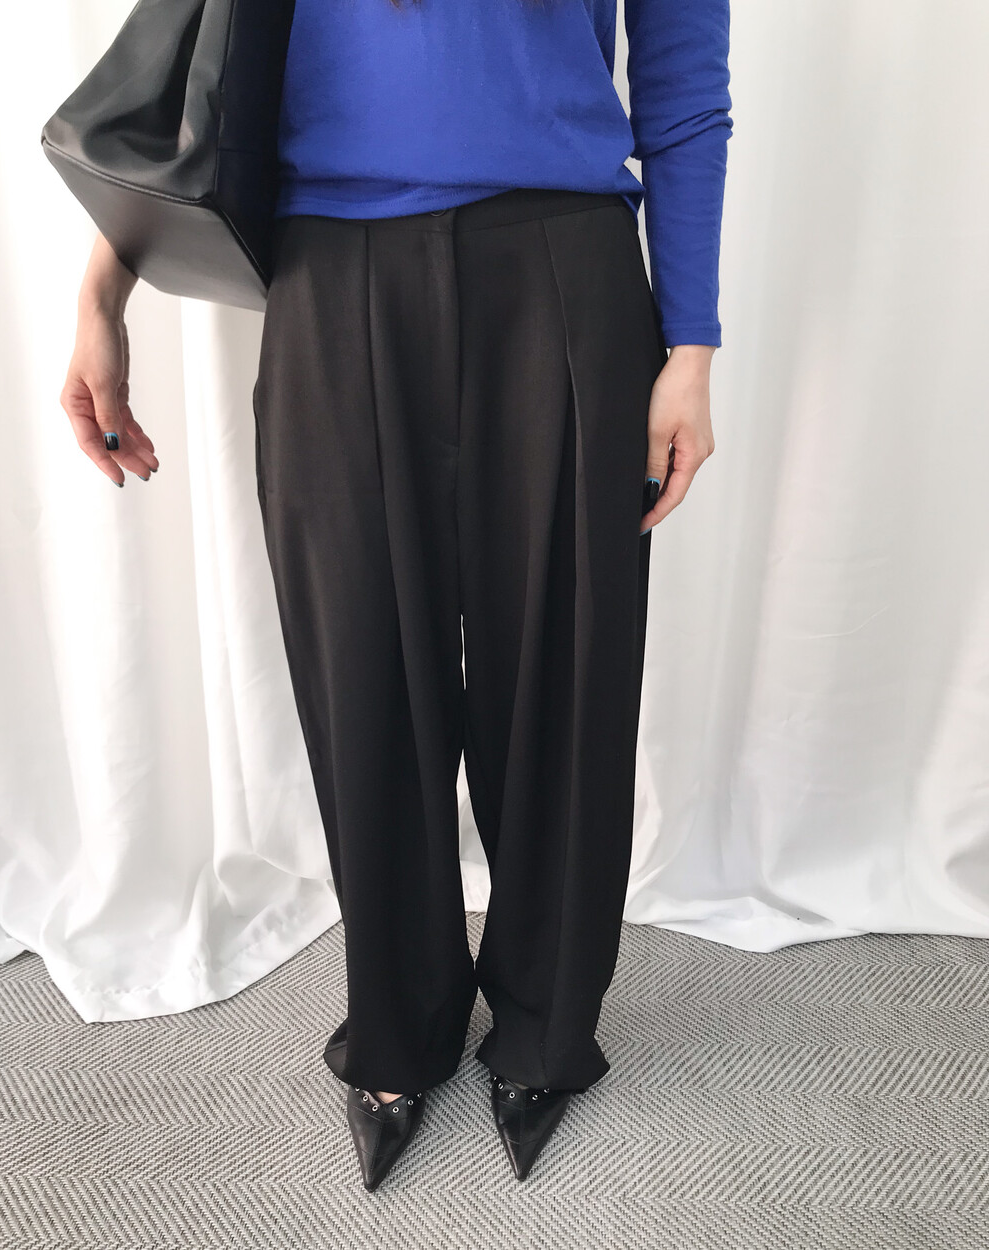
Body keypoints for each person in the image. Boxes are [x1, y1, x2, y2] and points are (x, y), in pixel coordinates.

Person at [61, 0, 732, 1194]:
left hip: (563, 265)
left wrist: (691, 346)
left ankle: (544, 1021)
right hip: (332, 271)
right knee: (361, 673)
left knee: (562, 672)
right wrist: (101, 291)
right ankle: (400, 1019)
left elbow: (681, 80)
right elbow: (193, 60)